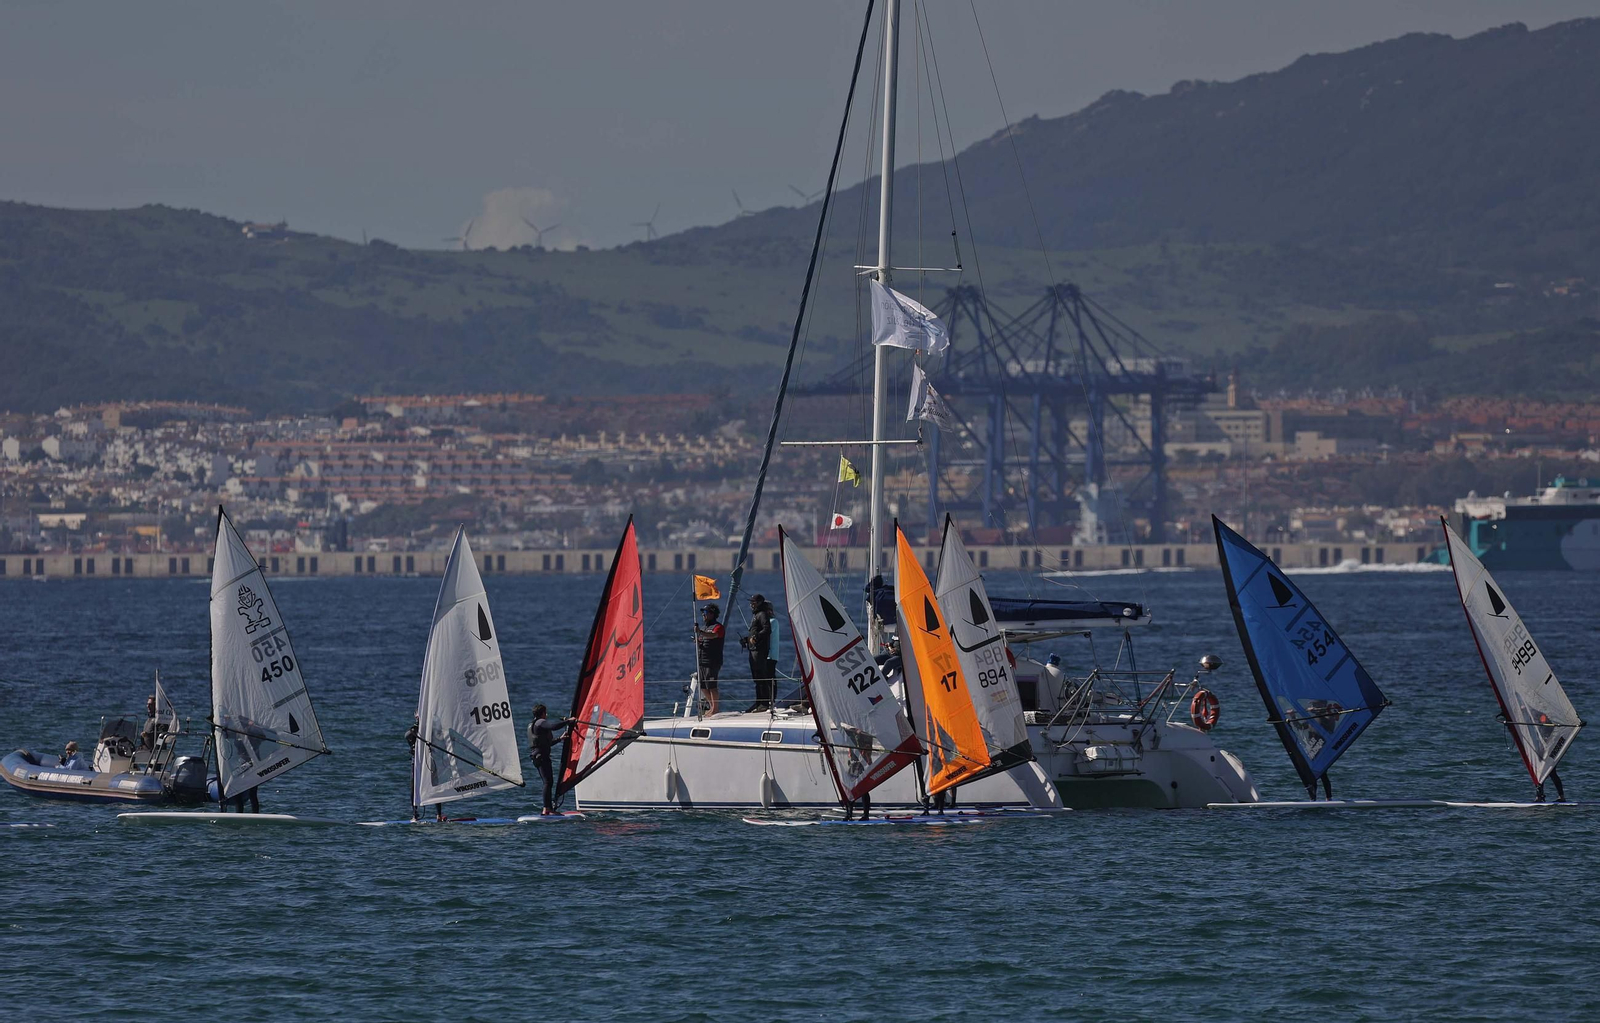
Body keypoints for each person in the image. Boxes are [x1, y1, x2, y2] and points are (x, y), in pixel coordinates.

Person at [528, 704, 576, 815]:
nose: (547, 715)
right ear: (543, 713)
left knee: (548, 782)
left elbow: (547, 743)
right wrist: (568, 721)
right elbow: (553, 726)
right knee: (547, 782)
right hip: (541, 757)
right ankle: (547, 808)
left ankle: (547, 808)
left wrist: (560, 739)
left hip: (537, 756)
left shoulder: (534, 724)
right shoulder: (540, 722)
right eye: (546, 713)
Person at [743, 593, 777, 712]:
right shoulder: (756, 615)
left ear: (759, 603)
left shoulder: (762, 614)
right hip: (753, 650)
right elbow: (755, 631)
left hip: (759, 651)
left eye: (754, 602)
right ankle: (758, 702)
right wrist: (746, 640)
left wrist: (756, 637)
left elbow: (767, 629)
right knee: (756, 678)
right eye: (751, 602)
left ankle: (764, 703)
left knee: (761, 676)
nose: (751, 604)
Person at [694, 604, 725, 715]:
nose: (703, 615)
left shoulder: (718, 627)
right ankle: (712, 706)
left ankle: (715, 708)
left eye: (706, 613)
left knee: (712, 685)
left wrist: (700, 633)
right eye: (703, 613)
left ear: (712, 614)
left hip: (712, 661)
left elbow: (713, 636)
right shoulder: (704, 628)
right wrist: (698, 639)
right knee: (702, 685)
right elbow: (703, 638)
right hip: (702, 660)